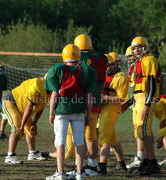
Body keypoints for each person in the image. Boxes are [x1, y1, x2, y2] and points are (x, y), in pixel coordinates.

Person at [45, 44, 96, 180]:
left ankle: (60, 173)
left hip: (62, 111)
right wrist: (88, 114)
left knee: (60, 142)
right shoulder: (86, 71)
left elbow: (55, 94)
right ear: (78, 56)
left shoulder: (57, 69)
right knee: (79, 141)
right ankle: (79, 173)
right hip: (78, 111)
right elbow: (89, 96)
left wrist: (51, 113)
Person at [73, 34, 108, 176]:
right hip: (97, 98)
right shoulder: (102, 57)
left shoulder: (83, 57)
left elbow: (83, 77)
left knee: (87, 136)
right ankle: (89, 164)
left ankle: (91, 165)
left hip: (86, 99)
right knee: (91, 134)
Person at [128, 36, 161, 175]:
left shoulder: (150, 60)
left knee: (145, 131)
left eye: (139, 47)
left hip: (145, 98)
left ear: (145, 48)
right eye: (135, 48)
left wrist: (147, 104)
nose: (137, 50)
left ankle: (152, 163)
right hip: (138, 98)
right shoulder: (139, 62)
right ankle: (147, 161)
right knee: (140, 132)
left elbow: (152, 83)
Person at [2, 76, 50, 164]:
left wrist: (34, 123)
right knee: (17, 128)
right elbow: (30, 107)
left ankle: (32, 153)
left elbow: (41, 108)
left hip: (22, 107)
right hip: (11, 102)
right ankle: (10, 156)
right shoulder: (38, 85)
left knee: (31, 130)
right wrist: (22, 125)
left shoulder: (50, 91)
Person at [97, 52, 129, 174]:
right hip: (102, 108)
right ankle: (121, 164)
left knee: (104, 138)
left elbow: (123, 99)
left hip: (111, 109)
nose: (107, 67)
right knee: (113, 139)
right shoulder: (100, 74)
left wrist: (105, 98)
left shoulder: (120, 77)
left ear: (115, 64)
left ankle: (102, 166)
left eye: (109, 65)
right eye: (105, 65)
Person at [123, 46, 146, 170]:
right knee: (137, 130)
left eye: (130, 56)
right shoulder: (133, 68)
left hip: (142, 100)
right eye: (128, 57)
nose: (128, 59)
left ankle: (142, 157)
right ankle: (141, 156)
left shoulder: (141, 66)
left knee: (141, 129)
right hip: (136, 101)